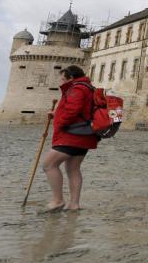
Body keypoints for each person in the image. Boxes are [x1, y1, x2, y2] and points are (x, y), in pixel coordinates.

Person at [42, 65, 97, 211]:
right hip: (85, 135)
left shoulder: (77, 88)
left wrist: (59, 123)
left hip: (72, 135)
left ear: (71, 78)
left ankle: (57, 201)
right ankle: (74, 205)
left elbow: (72, 111)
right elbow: (80, 111)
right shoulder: (88, 87)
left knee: (49, 165)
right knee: (73, 169)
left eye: (62, 78)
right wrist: (56, 114)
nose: (61, 82)